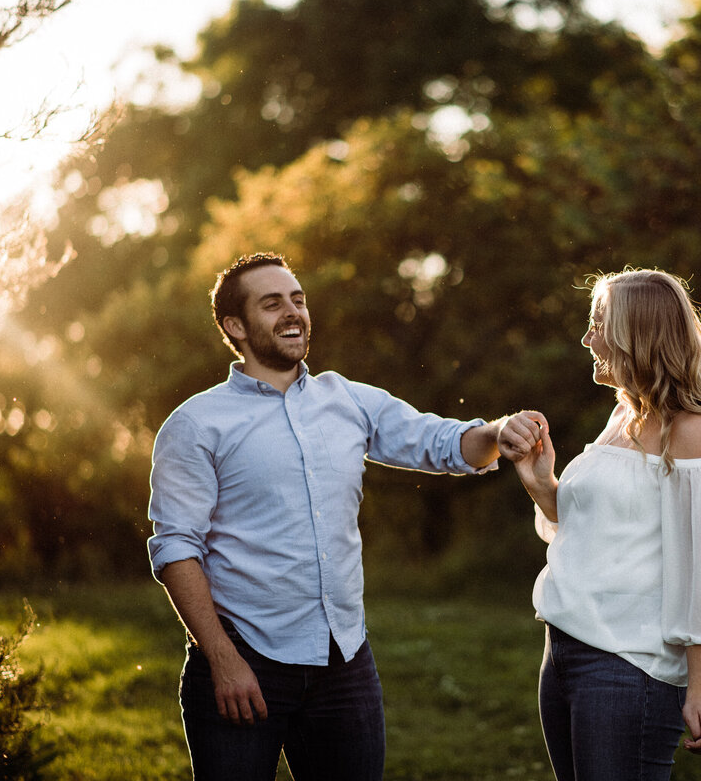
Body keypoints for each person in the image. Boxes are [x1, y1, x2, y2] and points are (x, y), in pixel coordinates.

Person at [147, 252, 520, 780]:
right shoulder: (196, 424)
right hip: (243, 661)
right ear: (235, 325)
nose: (293, 312)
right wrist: (222, 660)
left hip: (344, 665)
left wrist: (499, 432)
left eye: (298, 300)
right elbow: (176, 548)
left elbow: (441, 442)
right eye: (272, 303)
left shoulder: (347, 399)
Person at [497, 268, 701, 781]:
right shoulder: (624, 417)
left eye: (598, 324)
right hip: (564, 652)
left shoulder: (694, 433)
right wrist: (541, 484)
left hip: (627, 668)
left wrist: (699, 690)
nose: (586, 338)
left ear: (637, 334)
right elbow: (590, 533)